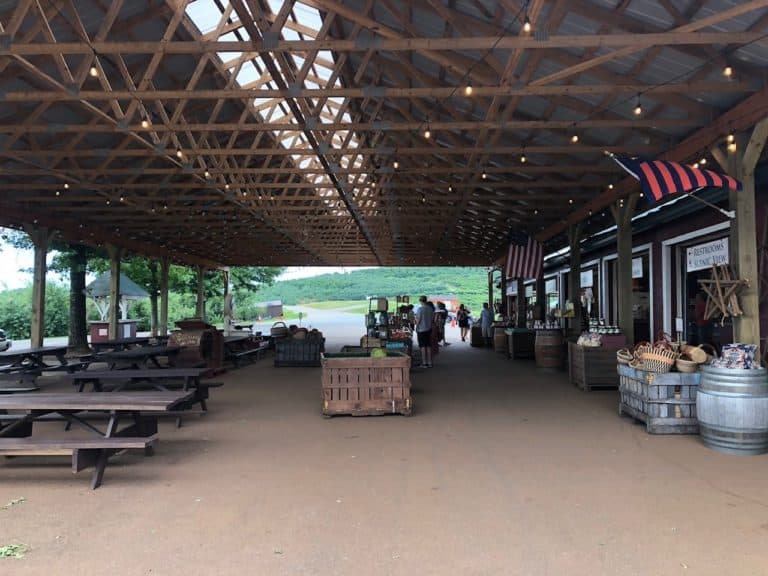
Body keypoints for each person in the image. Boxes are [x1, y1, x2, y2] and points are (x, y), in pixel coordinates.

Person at [414, 295, 434, 368]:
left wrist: (416, 327)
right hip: (429, 329)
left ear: (420, 301)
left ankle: (424, 363)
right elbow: (432, 319)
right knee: (428, 346)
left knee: (422, 346)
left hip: (421, 330)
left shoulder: (420, 309)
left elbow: (418, 320)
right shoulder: (430, 309)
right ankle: (429, 362)